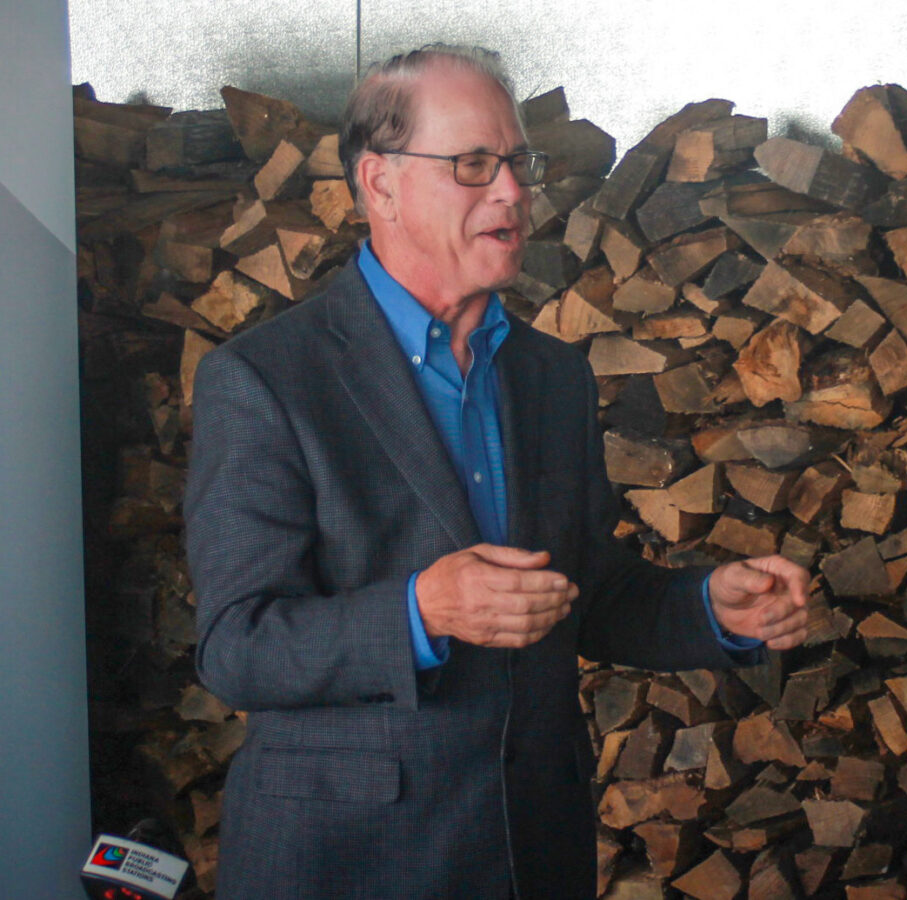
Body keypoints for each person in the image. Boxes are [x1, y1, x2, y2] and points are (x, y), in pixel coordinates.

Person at [184, 44, 810, 899]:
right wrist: (422, 611)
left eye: (518, 163)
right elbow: (236, 648)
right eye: (473, 165)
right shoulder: (264, 380)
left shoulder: (552, 376)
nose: (513, 193)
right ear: (381, 185)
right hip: (347, 861)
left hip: (530, 851)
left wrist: (709, 607)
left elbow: (581, 590)